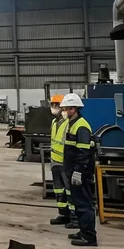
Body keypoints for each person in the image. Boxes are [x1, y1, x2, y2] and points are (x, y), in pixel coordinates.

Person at [60, 93, 97, 246]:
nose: (64, 111)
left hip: (80, 172)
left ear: (73, 109)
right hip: (73, 170)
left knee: (84, 204)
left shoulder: (81, 126)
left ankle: (89, 237)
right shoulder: (72, 123)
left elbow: (83, 152)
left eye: (66, 108)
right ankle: (83, 230)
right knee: (78, 201)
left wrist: (78, 171)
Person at [48, 94, 73, 226]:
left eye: (56, 105)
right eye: (52, 105)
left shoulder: (68, 123)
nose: (54, 107)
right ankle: (63, 214)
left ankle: (74, 218)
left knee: (70, 191)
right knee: (59, 190)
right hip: (55, 161)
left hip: (65, 162)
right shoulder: (54, 122)